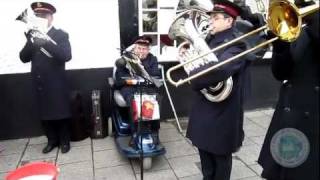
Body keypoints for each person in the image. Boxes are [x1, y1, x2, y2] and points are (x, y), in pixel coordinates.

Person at [185, 0, 251, 179]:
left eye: (215, 18)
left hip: (223, 114)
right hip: (204, 109)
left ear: (229, 21)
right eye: (211, 18)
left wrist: (193, 75)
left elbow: (219, 71)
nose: (210, 22)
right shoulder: (209, 40)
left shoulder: (237, 44)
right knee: (206, 166)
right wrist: (186, 59)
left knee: (220, 167)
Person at [258, 0, 319, 179]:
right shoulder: (300, 31)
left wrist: (314, 18)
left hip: (313, 119)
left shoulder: (313, 28)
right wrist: (280, 46)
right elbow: (281, 73)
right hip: (289, 116)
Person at [19, 2, 72, 154]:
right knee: (44, 112)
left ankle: (64, 141)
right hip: (39, 81)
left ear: (51, 18)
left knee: (60, 111)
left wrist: (46, 42)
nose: (40, 18)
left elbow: (66, 56)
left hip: (56, 81)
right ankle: (51, 140)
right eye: (37, 15)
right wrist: (31, 41)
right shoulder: (33, 36)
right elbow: (23, 58)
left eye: (44, 15)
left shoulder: (61, 34)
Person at [115, 35, 161, 141]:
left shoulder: (152, 59)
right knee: (134, 100)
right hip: (129, 87)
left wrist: (141, 67)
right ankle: (135, 132)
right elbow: (120, 79)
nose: (142, 51)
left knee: (156, 99)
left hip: (146, 87)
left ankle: (154, 131)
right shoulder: (125, 58)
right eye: (139, 48)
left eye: (144, 49)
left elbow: (156, 75)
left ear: (148, 50)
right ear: (134, 48)